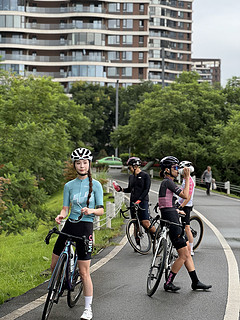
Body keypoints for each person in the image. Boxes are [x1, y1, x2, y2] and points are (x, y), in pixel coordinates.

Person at [51, 147, 104, 320]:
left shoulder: (96, 185)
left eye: (85, 163)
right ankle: (59, 285)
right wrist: (61, 215)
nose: (82, 166)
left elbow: (101, 210)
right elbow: (65, 208)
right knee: (54, 264)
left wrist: (91, 211)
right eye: (78, 163)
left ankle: (88, 309)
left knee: (84, 272)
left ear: (89, 164)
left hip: (85, 227)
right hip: (70, 225)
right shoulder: (68, 186)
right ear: (74, 165)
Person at [159, 156, 211, 292]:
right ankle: (168, 282)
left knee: (187, 250)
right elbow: (185, 195)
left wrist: (176, 209)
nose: (177, 170)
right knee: (183, 254)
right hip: (173, 221)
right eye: (175, 168)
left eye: (178, 168)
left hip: (171, 216)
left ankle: (195, 281)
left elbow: (166, 203)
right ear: (167, 170)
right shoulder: (168, 182)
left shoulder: (166, 183)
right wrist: (188, 178)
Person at [113, 157, 156, 241]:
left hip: (143, 201)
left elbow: (146, 190)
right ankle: (137, 243)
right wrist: (121, 189)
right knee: (135, 222)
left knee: (145, 222)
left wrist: (139, 200)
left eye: (129, 167)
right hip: (133, 201)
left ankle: (156, 235)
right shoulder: (131, 177)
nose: (129, 169)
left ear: (135, 166)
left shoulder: (145, 176)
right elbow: (129, 189)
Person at [177, 161, 195, 256]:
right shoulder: (184, 179)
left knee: (187, 227)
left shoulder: (190, 181)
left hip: (186, 206)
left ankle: (191, 249)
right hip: (181, 203)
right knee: (181, 225)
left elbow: (188, 197)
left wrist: (181, 206)